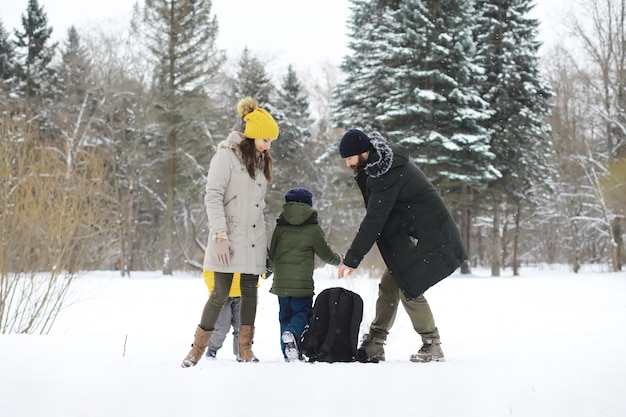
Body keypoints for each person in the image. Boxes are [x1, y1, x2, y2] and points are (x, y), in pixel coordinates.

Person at [336, 128, 467, 363]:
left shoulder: (386, 173)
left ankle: (432, 344)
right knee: (389, 285)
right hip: (415, 236)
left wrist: (352, 258)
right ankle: (375, 342)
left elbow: (375, 219)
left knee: (411, 287)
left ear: (364, 153)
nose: (347, 164)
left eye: (349, 158)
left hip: (430, 237)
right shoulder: (377, 167)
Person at [181, 97, 279, 367]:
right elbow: (212, 196)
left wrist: (265, 248)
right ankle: (196, 351)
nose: (268, 146)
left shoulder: (261, 162)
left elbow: (257, 208)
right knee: (220, 292)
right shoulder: (225, 156)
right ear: (253, 135)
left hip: (253, 238)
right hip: (228, 236)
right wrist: (220, 236)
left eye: (270, 142)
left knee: (250, 291)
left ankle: (245, 349)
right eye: (265, 140)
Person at [268, 187, 342, 362]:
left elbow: (272, 256)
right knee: (302, 312)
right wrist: (340, 260)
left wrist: (267, 269)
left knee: (284, 316)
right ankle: (293, 333)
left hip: (281, 283)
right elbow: (326, 255)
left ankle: (288, 354)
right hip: (302, 284)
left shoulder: (280, 227)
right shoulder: (313, 229)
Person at [202, 270, 241, 359]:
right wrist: (215, 288)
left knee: (242, 327)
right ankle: (212, 349)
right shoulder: (215, 255)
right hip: (222, 293)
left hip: (243, 291)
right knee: (221, 327)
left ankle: (241, 351)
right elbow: (208, 269)